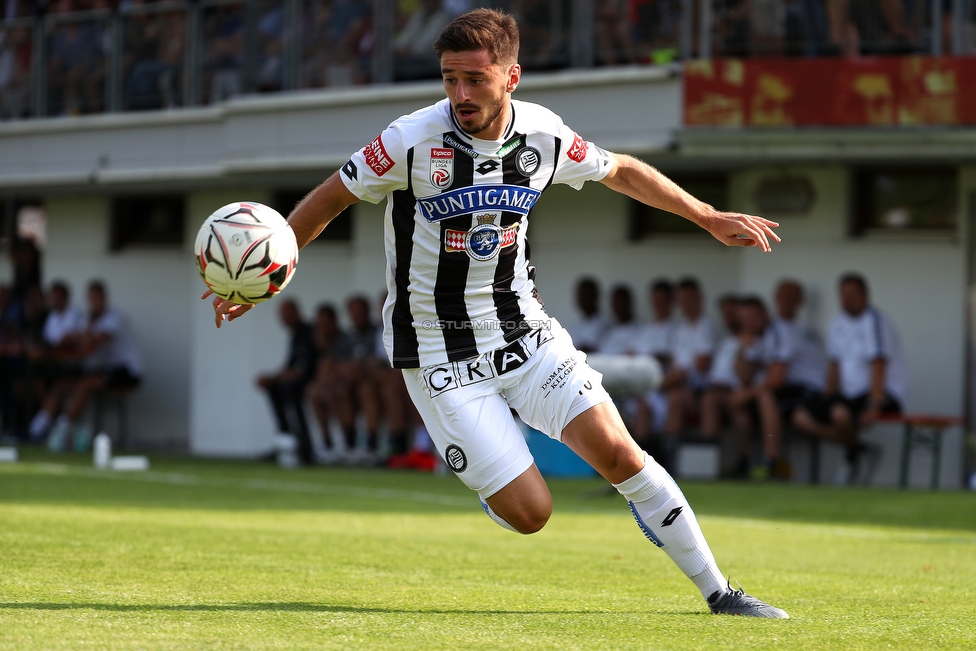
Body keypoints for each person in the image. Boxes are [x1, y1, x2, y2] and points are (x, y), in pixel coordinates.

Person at [205, 9, 786, 618]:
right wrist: (262, 272)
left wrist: (708, 217)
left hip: (524, 330)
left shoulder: (545, 136)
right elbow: (329, 199)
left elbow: (623, 172)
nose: (459, 94)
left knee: (620, 454)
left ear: (511, 76)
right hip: (434, 347)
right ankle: (496, 482)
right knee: (532, 515)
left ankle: (722, 594)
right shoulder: (408, 141)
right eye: (449, 79)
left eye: (474, 80)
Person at [793, 272, 906, 482]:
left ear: (866, 295)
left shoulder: (875, 321)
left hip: (882, 394)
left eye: (853, 293)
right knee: (801, 416)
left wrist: (874, 404)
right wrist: (827, 396)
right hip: (850, 395)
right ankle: (857, 449)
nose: (848, 299)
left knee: (839, 414)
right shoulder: (837, 322)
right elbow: (834, 364)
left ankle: (853, 453)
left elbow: (878, 364)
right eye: (843, 294)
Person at [31, 280, 142, 452]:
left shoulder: (115, 317)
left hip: (125, 371)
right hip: (100, 369)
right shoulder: (87, 319)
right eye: (91, 298)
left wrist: (78, 337)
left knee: (85, 383)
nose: (93, 302)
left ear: (104, 298)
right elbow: (75, 343)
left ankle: (61, 430)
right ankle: (37, 429)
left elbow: (94, 342)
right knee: (63, 384)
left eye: (97, 298)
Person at [747, 280, 827, 480]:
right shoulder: (770, 331)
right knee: (743, 406)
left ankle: (771, 461)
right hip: (797, 390)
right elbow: (747, 371)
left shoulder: (785, 329)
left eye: (791, 297)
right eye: (783, 296)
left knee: (764, 395)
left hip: (811, 391)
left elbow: (776, 380)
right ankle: (743, 463)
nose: (786, 301)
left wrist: (742, 396)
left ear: (800, 302)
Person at [256, 298, 317, 465]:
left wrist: (280, 377)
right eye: (282, 315)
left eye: (287, 314)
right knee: (273, 388)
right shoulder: (294, 335)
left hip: (311, 382)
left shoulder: (309, 332)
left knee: (289, 389)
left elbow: (304, 368)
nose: (284, 319)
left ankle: (305, 448)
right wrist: (271, 378)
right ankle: (284, 440)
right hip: (296, 383)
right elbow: (289, 365)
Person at [565, 277, 607, 354]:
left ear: (595, 296)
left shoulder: (605, 325)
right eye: (581, 295)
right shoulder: (575, 327)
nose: (583, 299)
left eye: (587, 295)